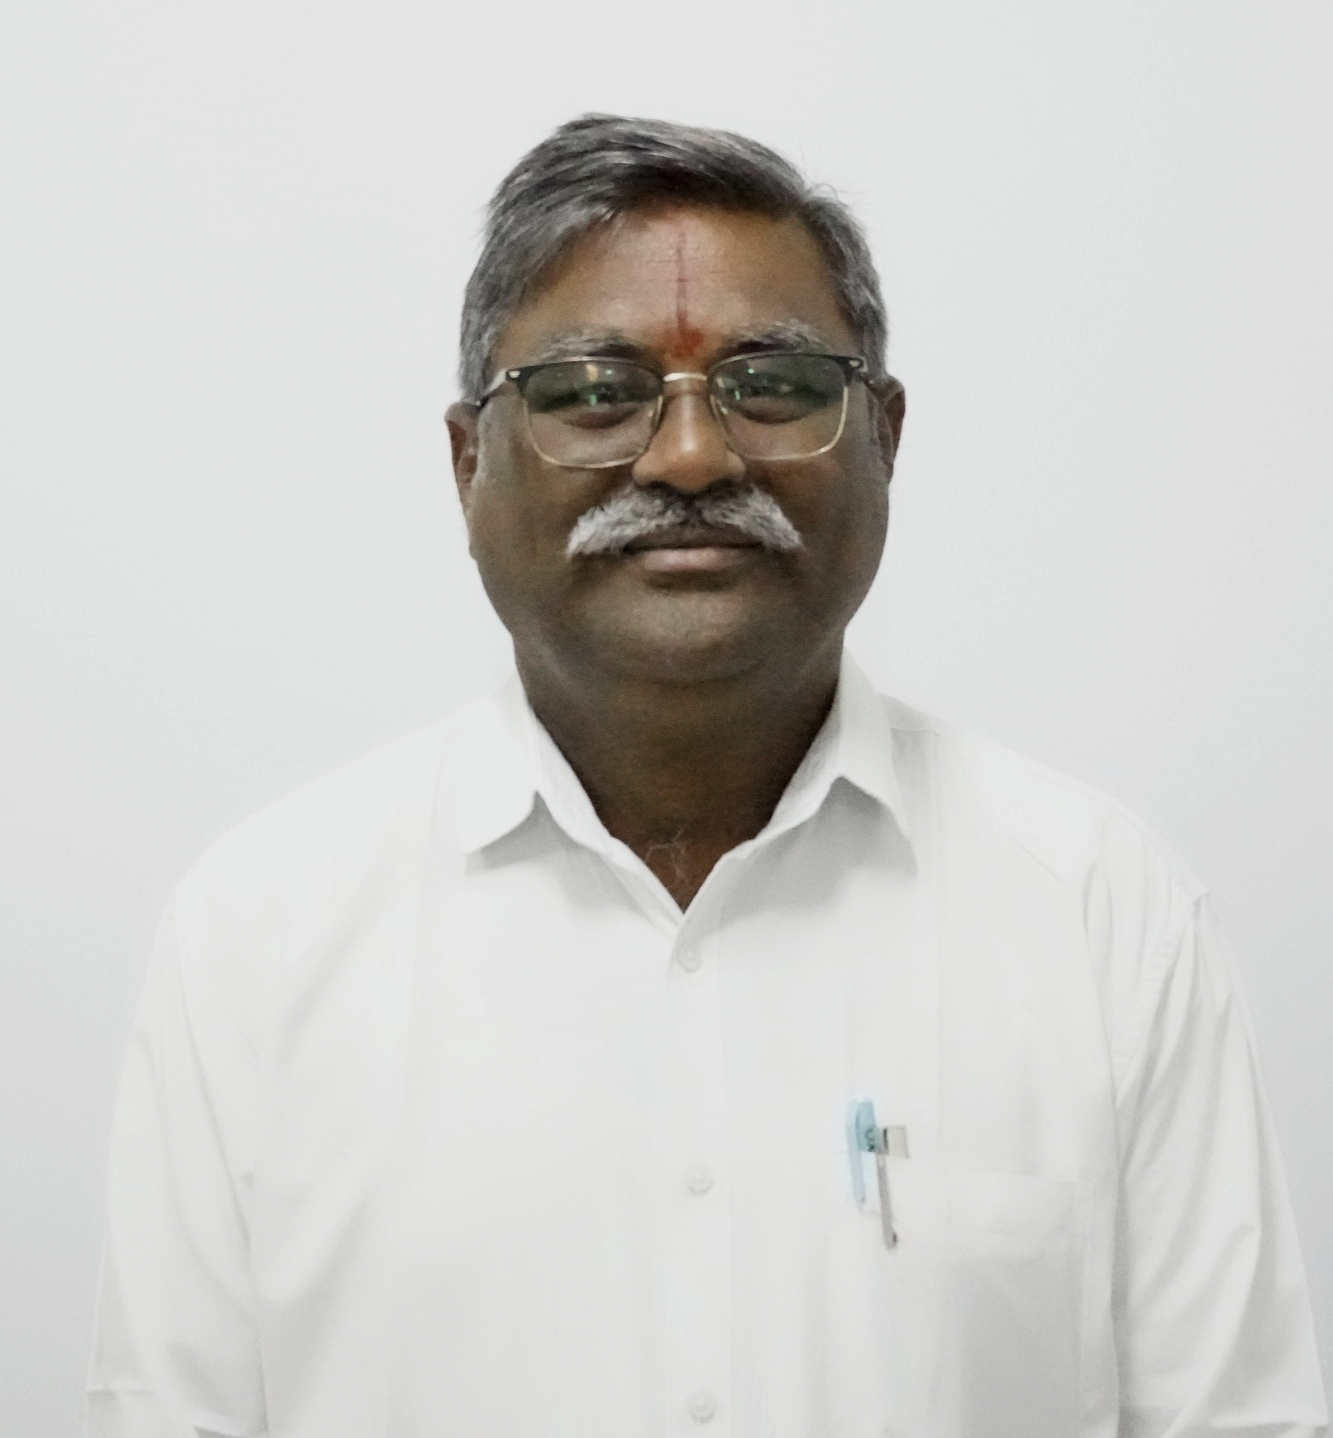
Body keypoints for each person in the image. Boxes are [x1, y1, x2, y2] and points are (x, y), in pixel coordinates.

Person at [85, 113, 1327, 1438]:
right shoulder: (262, 938)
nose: (690, 456)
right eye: (592, 391)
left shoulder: (1097, 915)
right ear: (466, 464)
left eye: (773, 384)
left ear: (885, 436)